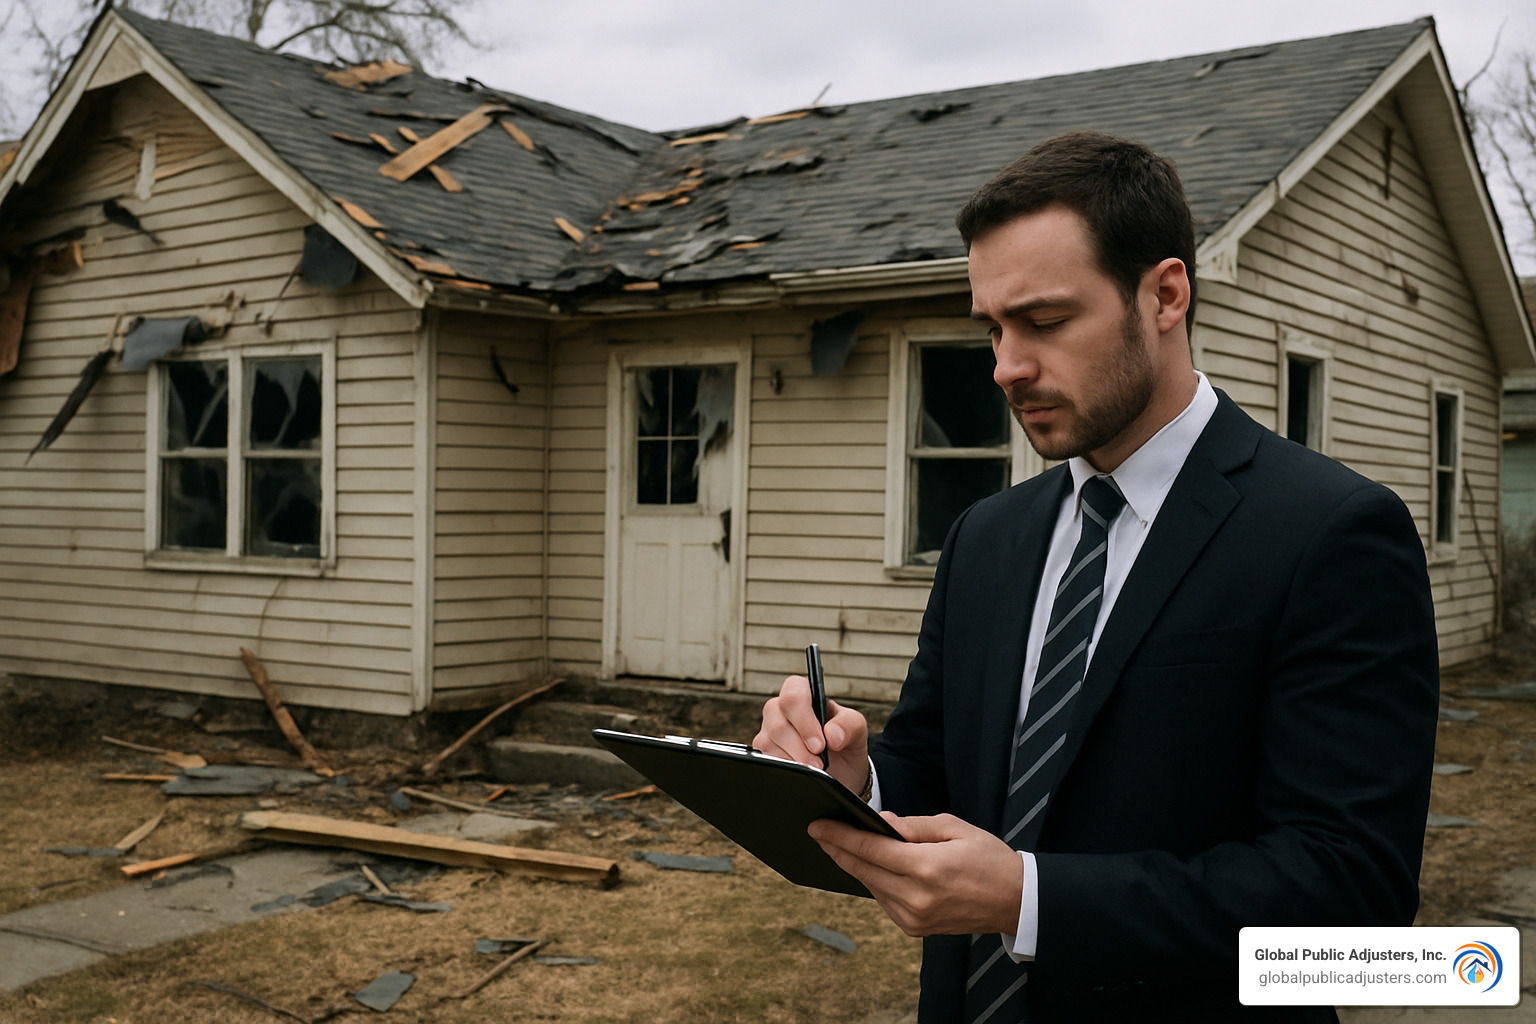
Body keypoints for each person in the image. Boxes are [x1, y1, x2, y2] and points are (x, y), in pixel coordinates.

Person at [753, 131, 1439, 1023]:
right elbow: (940, 770)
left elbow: (1355, 906)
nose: (1006, 367)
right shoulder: (986, 538)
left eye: (1044, 322)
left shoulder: (1330, 533)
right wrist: (855, 784)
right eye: (993, 329)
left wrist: (1030, 900)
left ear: (1166, 295)